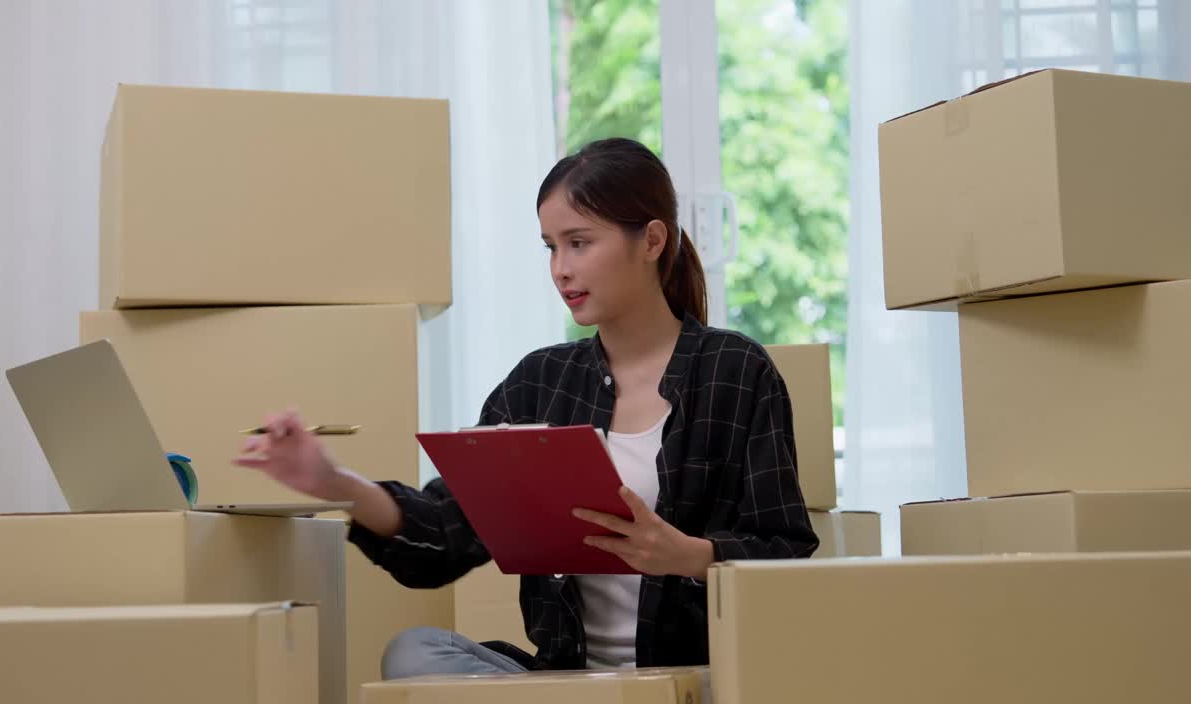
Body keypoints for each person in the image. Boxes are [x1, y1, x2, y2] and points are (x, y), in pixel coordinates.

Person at [235, 137, 819, 678]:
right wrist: (332, 480)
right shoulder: (539, 381)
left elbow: (786, 554)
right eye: (551, 246)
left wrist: (686, 555)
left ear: (653, 241)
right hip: (563, 682)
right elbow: (442, 536)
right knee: (413, 652)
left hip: (695, 682)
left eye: (580, 242)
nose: (560, 268)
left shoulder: (737, 372)